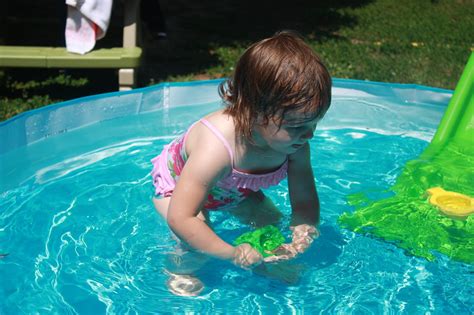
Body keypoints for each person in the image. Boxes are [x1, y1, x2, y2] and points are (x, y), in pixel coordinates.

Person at [150, 30, 332, 295]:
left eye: (315, 122)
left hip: (229, 189)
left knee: (271, 223)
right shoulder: (216, 149)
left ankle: (266, 265)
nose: (309, 134)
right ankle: (180, 270)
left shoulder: (296, 145)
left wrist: (300, 239)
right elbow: (182, 217)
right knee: (196, 243)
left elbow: (304, 203)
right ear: (253, 112)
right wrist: (232, 253)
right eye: (296, 126)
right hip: (178, 185)